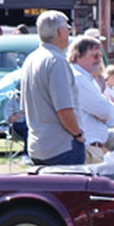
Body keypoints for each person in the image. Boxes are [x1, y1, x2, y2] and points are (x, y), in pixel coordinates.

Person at [21, 11, 85, 166]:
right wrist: (78, 135)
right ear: (60, 32)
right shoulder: (56, 62)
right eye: (68, 28)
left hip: (37, 146)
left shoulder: (31, 59)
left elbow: (23, 106)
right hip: (61, 147)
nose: (70, 33)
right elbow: (64, 109)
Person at [68, 36, 114, 164]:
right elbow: (106, 111)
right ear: (78, 55)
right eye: (94, 56)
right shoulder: (78, 78)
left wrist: (107, 113)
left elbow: (111, 119)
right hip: (87, 148)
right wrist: (108, 111)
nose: (99, 60)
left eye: (100, 55)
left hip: (93, 149)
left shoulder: (88, 78)